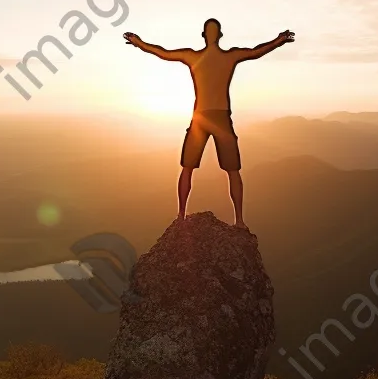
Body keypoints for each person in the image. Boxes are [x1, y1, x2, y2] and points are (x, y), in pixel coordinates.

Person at [123, 18, 295, 229]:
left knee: (208, 169)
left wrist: (278, 40)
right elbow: (164, 53)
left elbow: (255, 51)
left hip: (207, 117)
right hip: (212, 117)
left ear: (207, 35)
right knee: (200, 168)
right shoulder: (221, 56)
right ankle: (190, 215)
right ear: (213, 35)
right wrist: (140, 44)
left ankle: (219, 218)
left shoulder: (203, 56)